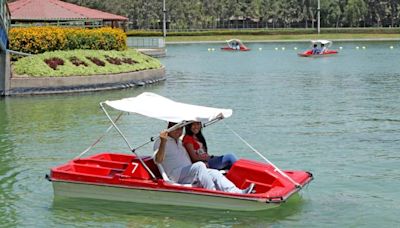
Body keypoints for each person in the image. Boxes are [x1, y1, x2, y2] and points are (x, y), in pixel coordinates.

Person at [154, 122, 255, 194]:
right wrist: (163, 142)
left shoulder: (179, 142)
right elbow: (158, 160)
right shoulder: (161, 141)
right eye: (176, 128)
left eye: (180, 128)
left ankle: (238, 192)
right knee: (199, 166)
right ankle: (213, 192)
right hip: (176, 175)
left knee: (214, 172)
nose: (179, 131)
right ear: (169, 128)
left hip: (188, 172)